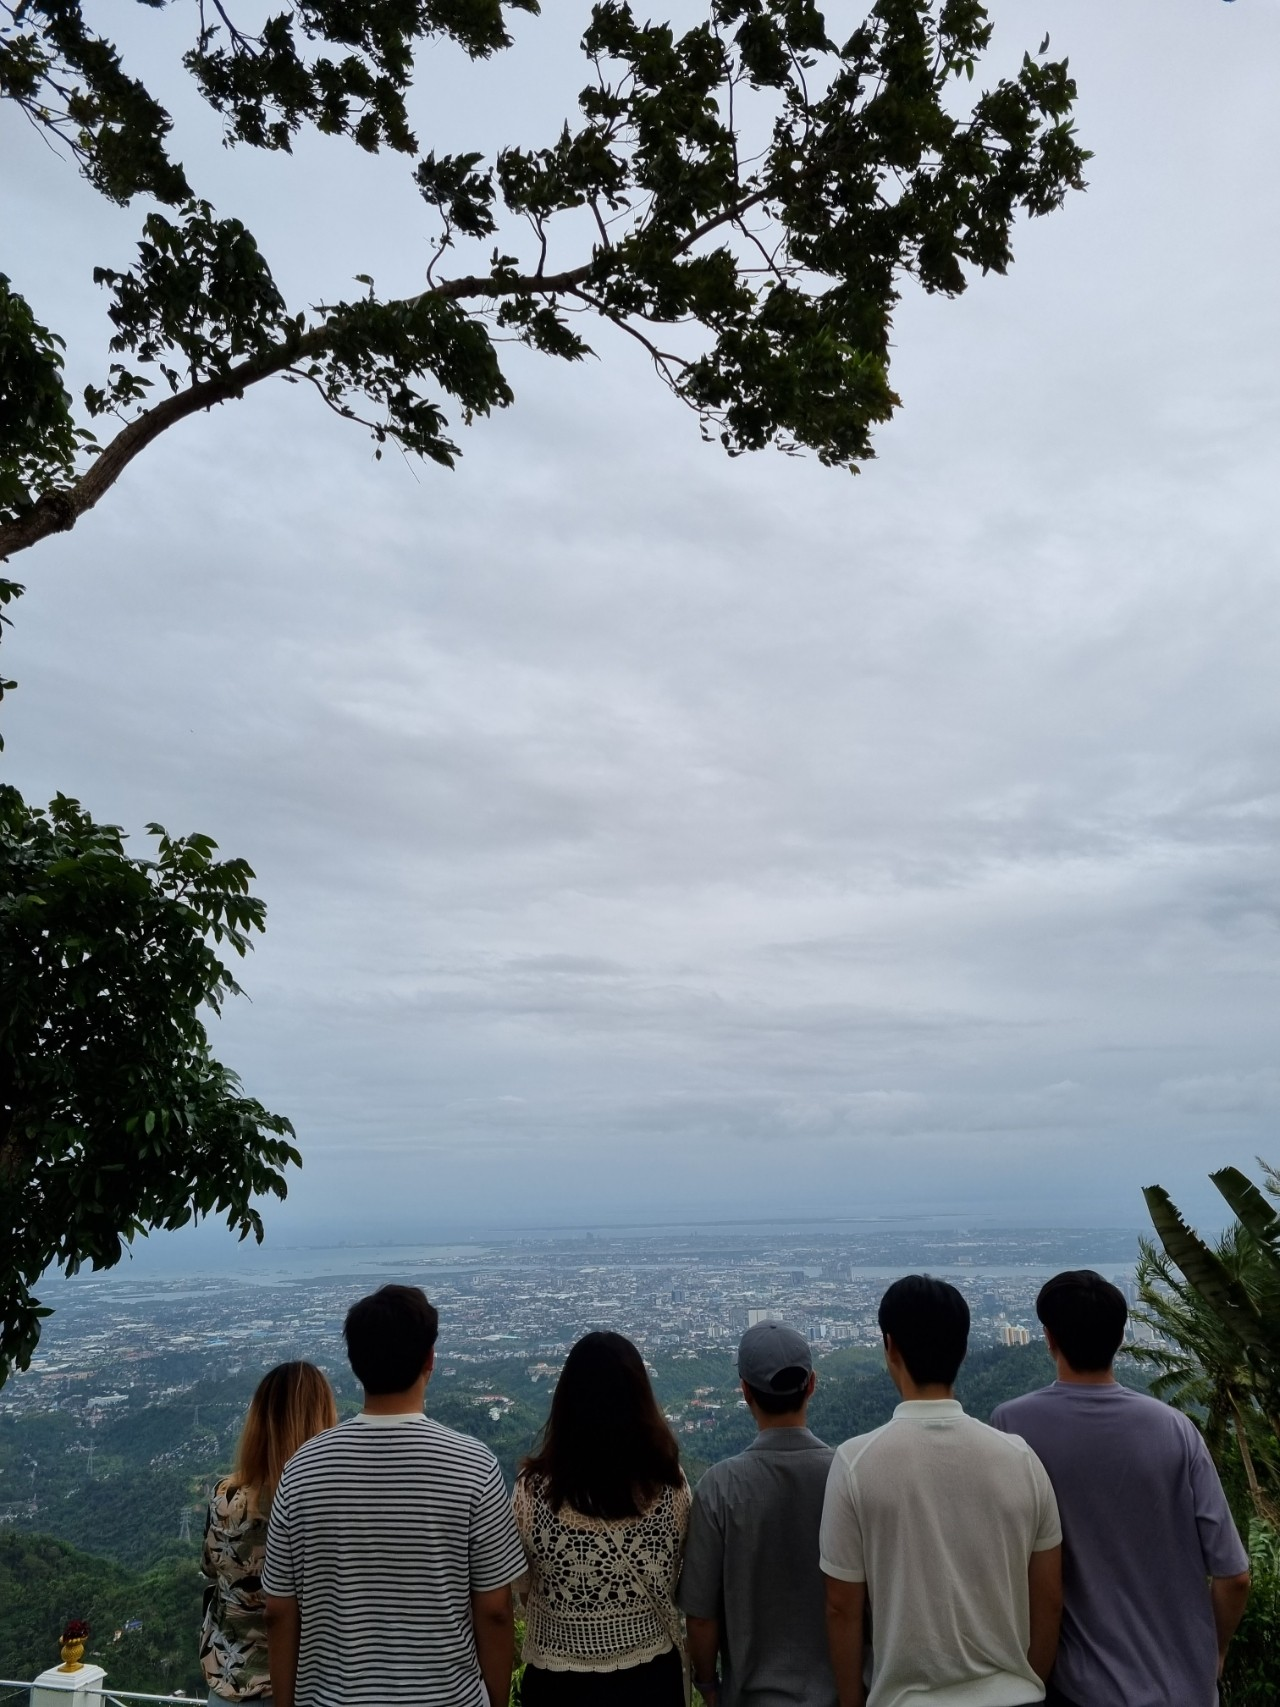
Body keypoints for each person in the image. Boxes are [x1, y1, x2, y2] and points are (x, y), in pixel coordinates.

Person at [992, 1269, 1251, 1707]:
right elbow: (1235, 1577)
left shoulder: (1013, 1426)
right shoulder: (1175, 1430)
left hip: (1080, 1688)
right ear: (1121, 1336)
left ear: (1049, 1338)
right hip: (1186, 1689)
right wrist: (1214, 1654)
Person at [262, 1284, 526, 1707]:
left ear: (355, 1364)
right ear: (429, 1360)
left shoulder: (302, 1469)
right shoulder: (473, 1465)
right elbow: (495, 1610)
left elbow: (278, 1611)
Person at [821, 1275, 1063, 1707]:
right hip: (1017, 1696)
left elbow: (842, 1607)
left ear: (890, 1347)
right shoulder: (1020, 1458)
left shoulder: (855, 1463)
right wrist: (1030, 1682)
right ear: (964, 1349)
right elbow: (1048, 1598)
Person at [513, 1330, 691, 1705]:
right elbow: (678, 1576)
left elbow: (524, 1590)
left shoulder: (532, 1493)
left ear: (566, 1403)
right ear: (640, 1400)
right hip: (650, 1682)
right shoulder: (670, 1487)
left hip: (557, 1685)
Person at [678, 1320, 837, 1707]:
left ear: (745, 1391)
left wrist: (707, 1686)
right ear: (812, 1384)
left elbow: (700, 1617)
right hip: (842, 1694)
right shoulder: (848, 1475)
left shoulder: (719, 1487)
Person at [201, 1361, 338, 1703]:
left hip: (230, 1680)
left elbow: (209, 1566)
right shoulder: (326, 1505)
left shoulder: (226, 1498)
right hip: (306, 1686)